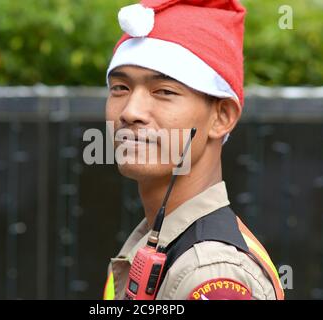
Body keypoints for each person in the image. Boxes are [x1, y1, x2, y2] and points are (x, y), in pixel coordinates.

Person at [103, 0, 284, 300]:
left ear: (222, 117)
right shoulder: (156, 240)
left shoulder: (213, 275)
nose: (130, 111)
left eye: (164, 91)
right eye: (119, 88)